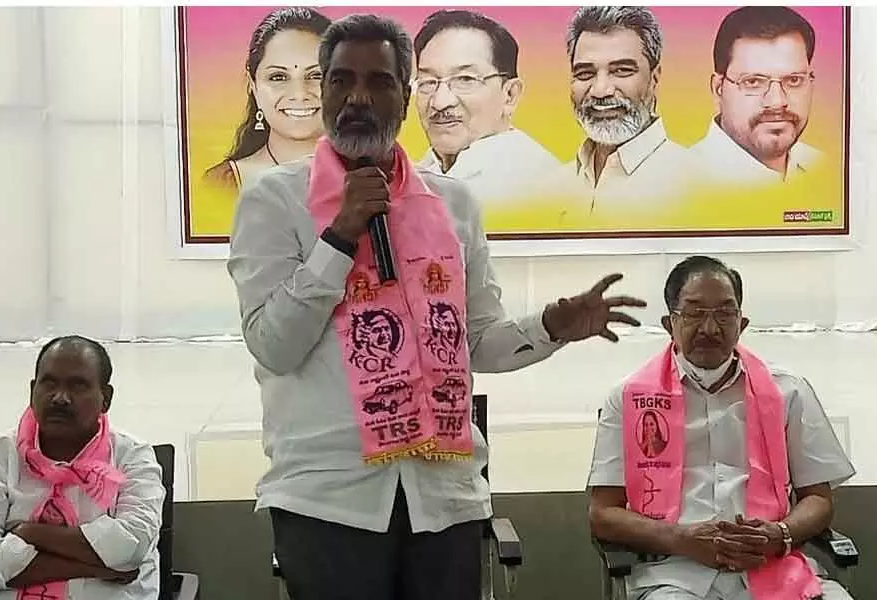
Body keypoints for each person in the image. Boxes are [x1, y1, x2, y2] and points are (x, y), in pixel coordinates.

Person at [226, 13, 647, 600]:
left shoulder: (453, 203)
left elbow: (476, 343)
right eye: (341, 80)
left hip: (443, 496)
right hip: (329, 498)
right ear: (322, 90)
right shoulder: (274, 200)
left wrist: (554, 326)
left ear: (406, 95)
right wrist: (340, 236)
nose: (357, 98)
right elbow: (274, 345)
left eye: (379, 82)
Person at [588, 256, 856, 600]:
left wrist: (779, 533)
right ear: (669, 323)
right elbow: (603, 513)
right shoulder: (629, 397)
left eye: (724, 314)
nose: (710, 329)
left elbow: (818, 498)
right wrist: (681, 538)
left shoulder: (787, 391)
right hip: (675, 574)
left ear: (741, 323)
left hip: (773, 568)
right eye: (695, 313)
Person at [0, 336, 165, 600]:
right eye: (49, 384)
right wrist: (96, 564)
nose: (60, 398)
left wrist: (29, 532)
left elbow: (130, 547)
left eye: (78, 386)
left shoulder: (133, 456)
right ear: (32, 391)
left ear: (106, 398)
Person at [412, 9, 559, 209]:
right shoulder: (412, 176)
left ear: (510, 95)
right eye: (428, 82)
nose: (439, 102)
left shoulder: (538, 186)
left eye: (465, 79)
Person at [559, 6, 694, 217]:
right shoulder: (551, 187)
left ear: (654, 78)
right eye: (585, 73)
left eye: (621, 70)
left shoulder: (696, 183)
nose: (600, 91)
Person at [689, 6, 823, 186]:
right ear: (718, 89)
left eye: (793, 80)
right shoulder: (678, 184)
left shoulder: (823, 168)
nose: (777, 102)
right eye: (753, 82)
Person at [204, 7, 331, 192]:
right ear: (253, 85)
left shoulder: (378, 176)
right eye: (278, 77)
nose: (299, 93)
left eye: (316, 75)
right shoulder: (219, 185)